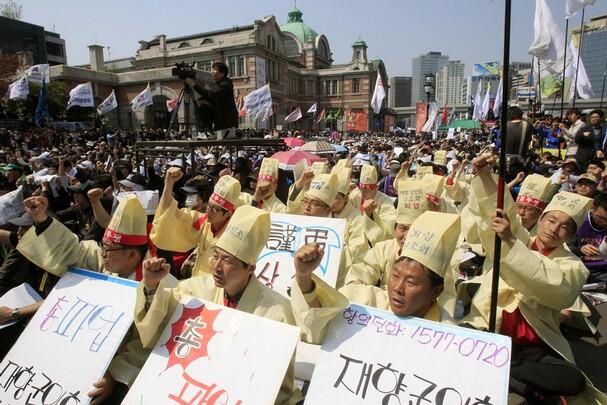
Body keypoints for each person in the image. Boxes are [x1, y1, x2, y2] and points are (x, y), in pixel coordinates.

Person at [461, 154, 605, 403]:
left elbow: (551, 284)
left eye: (564, 227)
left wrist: (511, 243)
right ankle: (507, 373)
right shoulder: (522, 240)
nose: (554, 228)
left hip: (529, 347)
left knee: (572, 380)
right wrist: (485, 176)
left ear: (570, 234)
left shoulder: (572, 265)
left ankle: (503, 369)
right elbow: (502, 212)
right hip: (489, 326)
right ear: (541, 219)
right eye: (551, 220)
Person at [135, 206, 304, 405]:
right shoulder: (192, 292)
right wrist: (152, 287)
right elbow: (157, 328)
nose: (216, 266)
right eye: (216, 256)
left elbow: (274, 385)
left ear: (249, 268)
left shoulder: (278, 312)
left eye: (227, 261)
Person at [150, 168, 240, 278]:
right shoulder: (203, 222)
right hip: (197, 284)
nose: (209, 211)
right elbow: (169, 216)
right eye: (209, 206)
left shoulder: (235, 233)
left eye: (215, 209)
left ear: (228, 214)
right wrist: (168, 184)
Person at [187, 61, 238, 140]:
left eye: (214, 70)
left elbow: (212, 95)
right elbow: (212, 97)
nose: (212, 72)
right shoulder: (219, 84)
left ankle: (206, 131)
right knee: (201, 104)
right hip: (221, 117)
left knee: (202, 107)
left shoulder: (225, 84)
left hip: (226, 119)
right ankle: (208, 131)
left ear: (222, 73)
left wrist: (194, 85)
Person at [348, 164, 396, 241]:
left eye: (367, 191)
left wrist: (371, 215)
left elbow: (389, 226)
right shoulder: (356, 194)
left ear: (375, 188)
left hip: (375, 239)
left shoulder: (385, 200)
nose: (363, 194)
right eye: (361, 189)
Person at [569, 192, 607, 283]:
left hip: (603, 271)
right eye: (600, 218)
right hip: (578, 268)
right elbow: (563, 248)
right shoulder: (578, 221)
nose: (605, 223)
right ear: (592, 208)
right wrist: (580, 249)